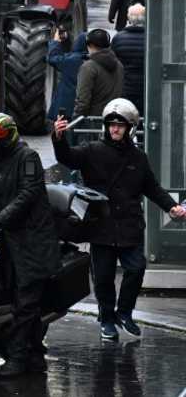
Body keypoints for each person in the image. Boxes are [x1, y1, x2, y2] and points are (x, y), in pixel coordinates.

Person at [53, 99, 186, 340]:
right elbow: (67, 157)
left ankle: (124, 313)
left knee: (136, 268)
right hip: (101, 226)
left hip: (129, 225)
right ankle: (106, 319)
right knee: (103, 278)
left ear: (130, 128)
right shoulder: (92, 150)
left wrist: (171, 207)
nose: (115, 129)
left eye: (120, 125)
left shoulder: (138, 157)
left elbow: (152, 188)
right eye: (111, 124)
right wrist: (59, 137)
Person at [0, 113, 59, 377]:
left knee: (26, 302)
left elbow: (27, 195)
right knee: (11, 296)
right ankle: (34, 355)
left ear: (5, 139)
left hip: (33, 241)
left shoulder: (28, 158)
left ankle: (18, 358)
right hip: (9, 240)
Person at [75, 28, 124, 118]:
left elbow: (83, 101)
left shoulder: (88, 67)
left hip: (93, 120)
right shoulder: (119, 65)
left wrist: (76, 119)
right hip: (113, 119)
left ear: (90, 45)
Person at [111, 4, 146, 114]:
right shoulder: (151, 38)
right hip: (145, 87)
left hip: (125, 87)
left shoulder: (118, 38)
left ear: (128, 18)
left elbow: (113, 62)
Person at [47, 29, 87, 121]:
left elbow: (53, 58)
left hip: (66, 110)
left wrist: (56, 42)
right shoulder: (96, 61)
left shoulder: (71, 60)